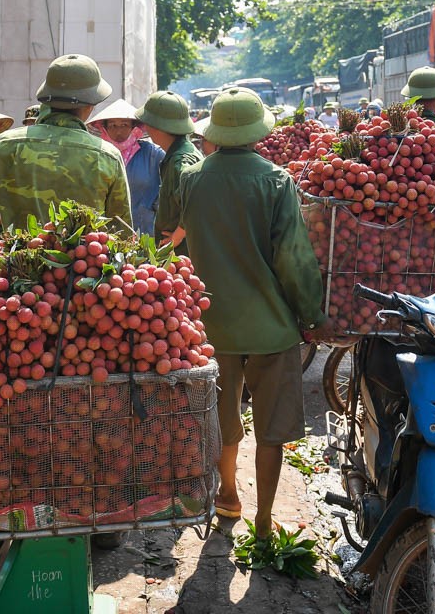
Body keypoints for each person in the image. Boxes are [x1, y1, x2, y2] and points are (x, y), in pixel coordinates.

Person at [170, 88, 329, 538]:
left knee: (223, 419)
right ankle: (264, 519)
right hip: (271, 327)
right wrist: (312, 315)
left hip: (209, 325)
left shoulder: (192, 178)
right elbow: (294, 258)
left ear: (215, 132)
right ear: (259, 132)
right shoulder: (277, 180)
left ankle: (228, 495)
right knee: (272, 428)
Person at [0, 54, 132, 235]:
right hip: (83, 271)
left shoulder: (5, 145)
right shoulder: (108, 156)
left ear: (46, 100)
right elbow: (120, 231)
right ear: (91, 105)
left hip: (16, 270)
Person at [87, 98, 165, 235]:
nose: (119, 131)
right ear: (104, 128)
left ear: (134, 127)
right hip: (106, 234)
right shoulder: (98, 155)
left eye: (124, 125)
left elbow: (167, 191)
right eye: (112, 126)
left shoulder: (154, 155)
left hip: (145, 232)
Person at [136, 90, 201, 252]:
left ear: (157, 127)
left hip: (182, 252)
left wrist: (178, 235)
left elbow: (197, 199)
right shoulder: (181, 152)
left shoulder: (180, 161)